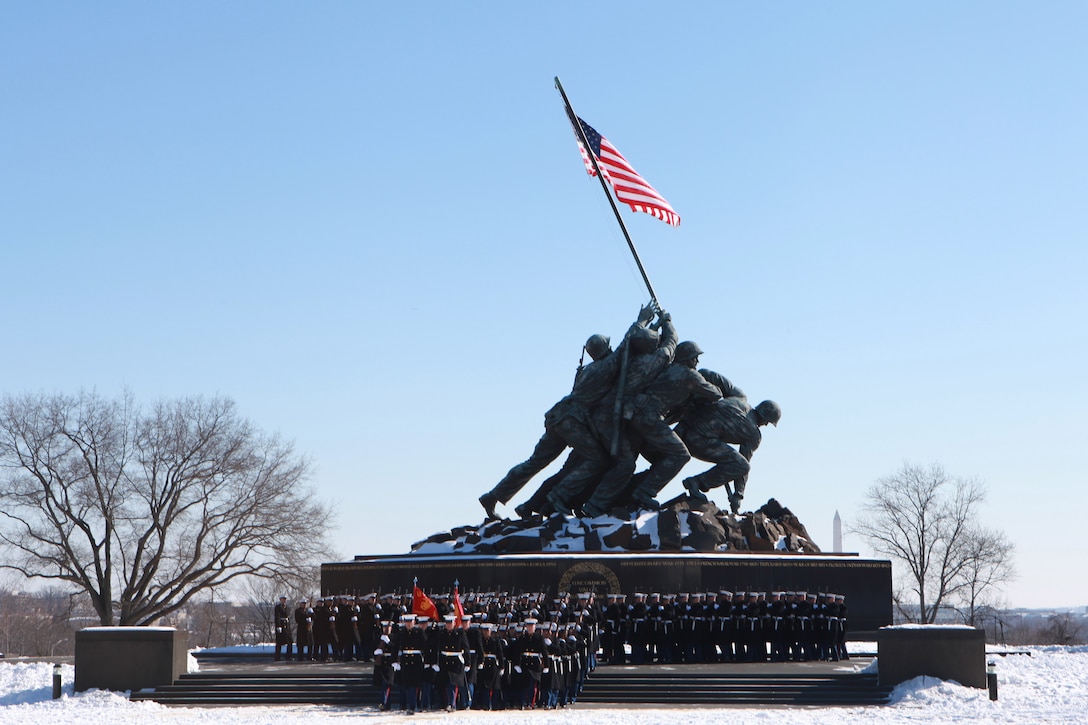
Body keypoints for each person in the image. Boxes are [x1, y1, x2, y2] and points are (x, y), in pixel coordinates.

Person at [479, 305, 656, 520]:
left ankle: (494, 495)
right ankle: (557, 497)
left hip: (558, 416)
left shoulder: (586, 371)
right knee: (597, 459)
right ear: (605, 350)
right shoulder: (605, 366)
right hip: (572, 420)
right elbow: (627, 343)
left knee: (534, 462)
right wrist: (642, 320)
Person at [578, 311, 678, 517]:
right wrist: (667, 323)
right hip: (611, 419)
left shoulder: (624, 360)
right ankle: (595, 505)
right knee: (625, 463)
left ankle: (608, 499)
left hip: (610, 417)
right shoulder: (652, 361)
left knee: (621, 460)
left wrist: (648, 322)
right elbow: (671, 343)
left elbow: (629, 340)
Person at [675, 371, 781, 514]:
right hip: (697, 440)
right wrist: (738, 494)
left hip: (683, 427)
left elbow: (710, 375)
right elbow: (743, 465)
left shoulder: (739, 396)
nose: (767, 425)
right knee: (741, 465)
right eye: (768, 422)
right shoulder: (753, 435)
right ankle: (697, 482)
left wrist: (699, 389)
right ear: (766, 419)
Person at [392, 613, 428, 714]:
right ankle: (412, 705)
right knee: (407, 685)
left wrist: (427, 661)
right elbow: (396, 647)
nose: (408, 624)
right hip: (405, 660)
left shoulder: (419, 632)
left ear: (414, 622)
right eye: (407, 622)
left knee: (414, 684)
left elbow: (425, 646)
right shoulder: (402, 632)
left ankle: (413, 705)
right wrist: (394, 661)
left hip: (416, 661)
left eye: (410, 622)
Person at [274, 596, 294, 661]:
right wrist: (278, 626)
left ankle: (289, 656)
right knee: (279, 642)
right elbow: (277, 617)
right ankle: (277, 657)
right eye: (282, 599)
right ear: (280, 600)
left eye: (285, 599)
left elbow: (288, 615)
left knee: (290, 641)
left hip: (287, 625)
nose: (284, 601)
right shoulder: (278, 607)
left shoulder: (287, 607)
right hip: (281, 625)